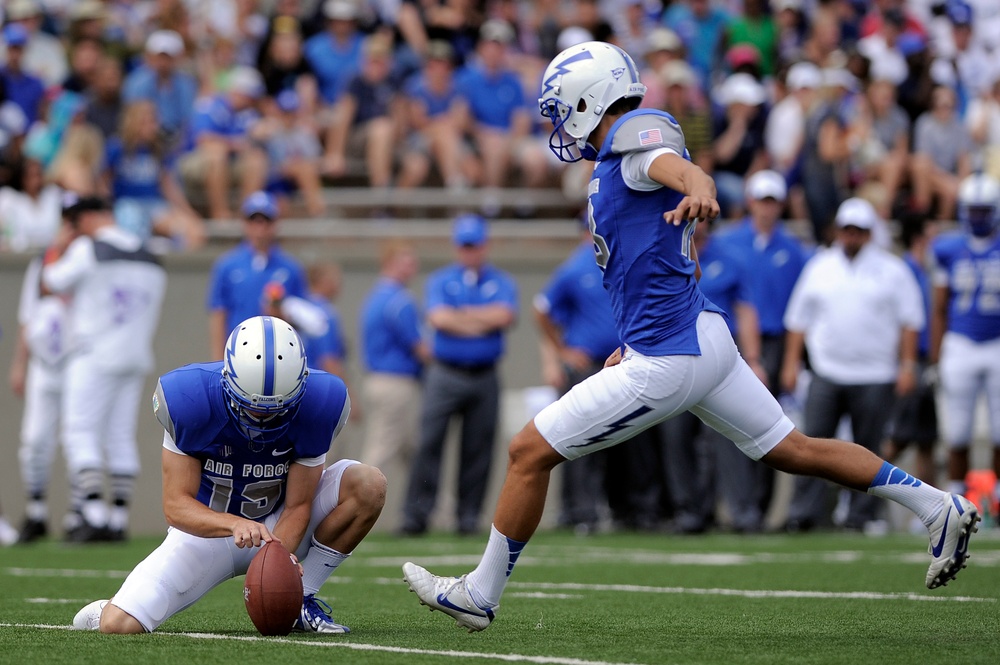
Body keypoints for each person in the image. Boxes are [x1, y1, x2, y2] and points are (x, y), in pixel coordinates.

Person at [401, 41, 980, 633]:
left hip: (670, 356)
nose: (556, 122)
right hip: (702, 337)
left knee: (528, 451)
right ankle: (938, 505)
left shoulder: (634, 139)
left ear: (587, 98)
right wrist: (634, 333)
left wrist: (698, 185)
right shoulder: (616, 161)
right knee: (794, 449)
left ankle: (479, 593)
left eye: (560, 108)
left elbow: (672, 164)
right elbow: (660, 259)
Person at [71, 315, 387, 634]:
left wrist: (278, 560)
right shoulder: (190, 399)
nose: (264, 418)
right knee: (119, 626)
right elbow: (176, 505)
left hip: (278, 523)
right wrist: (233, 523)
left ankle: (302, 600)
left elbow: (299, 505)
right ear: (227, 381)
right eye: (253, 407)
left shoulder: (321, 402)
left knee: (367, 484)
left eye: (277, 408)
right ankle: (111, 607)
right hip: (208, 534)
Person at [780, 198, 925, 533]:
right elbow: (797, 319)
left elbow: (910, 321)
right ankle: (804, 514)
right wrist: (790, 364)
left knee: (870, 448)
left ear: (869, 233)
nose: (852, 236)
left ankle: (863, 515)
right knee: (809, 445)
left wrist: (906, 365)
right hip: (827, 371)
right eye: (847, 229)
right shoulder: (820, 265)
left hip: (875, 374)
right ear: (838, 231)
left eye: (859, 230)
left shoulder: (892, 269)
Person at [41, 195, 167, 542]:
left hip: (93, 352)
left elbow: (51, 280)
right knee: (119, 434)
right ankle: (118, 517)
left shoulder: (88, 249)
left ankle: (94, 514)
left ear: (92, 218)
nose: (75, 227)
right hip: (135, 353)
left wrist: (58, 245)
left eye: (76, 220)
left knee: (79, 430)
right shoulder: (150, 254)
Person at [399, 214, 518, 536]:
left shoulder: (501, 281)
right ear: (456, 247)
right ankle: (417, 515)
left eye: (475, 245)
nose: (470, 252)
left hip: (485, 374)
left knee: (478, 447)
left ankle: (468, 515)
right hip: (445, 373)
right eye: (464, 246)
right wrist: (481, 319)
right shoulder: (440, 280)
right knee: (429, 443)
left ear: (485, 246)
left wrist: (461, 317)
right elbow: (439, 319)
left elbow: (505, 316)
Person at [534, 221, 625, 534]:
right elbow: (541, 309)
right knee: (582, 438)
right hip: (586, 367)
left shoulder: (620, 260)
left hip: (622, 365)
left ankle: (623, 508)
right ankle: (581, 511)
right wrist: (563, 352)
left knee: (622, 442)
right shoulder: (575, 267)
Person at [929, 174, 1000, 515]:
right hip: (960, 342)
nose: (977, 217)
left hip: (997, 342)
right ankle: (958, 501)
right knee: (957, 431)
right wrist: (935, 354)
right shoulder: (948, 248)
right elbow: (939, 307)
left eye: (984, 210)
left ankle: (996, 498)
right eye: (973, 209)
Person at [8, 201, 76, 543]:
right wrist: (19, 363)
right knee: (35, 440)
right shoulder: (40, 263)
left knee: (76, 437)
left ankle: (79, 512)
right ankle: (36, 510)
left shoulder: (85, 261)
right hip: (42, 363)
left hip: (76, 362)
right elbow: (27, 317)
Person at [205, 191, 327, 360]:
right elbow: (219, 315)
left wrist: (280, 310)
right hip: (239, 353)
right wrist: (219, 361)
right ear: (245, 223)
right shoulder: (227, 266)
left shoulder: (290, 268)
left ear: (275, 224)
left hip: (277, 354)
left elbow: (301, 315)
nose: (260, 227)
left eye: (266, 221)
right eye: (254, 220)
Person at [358, 240, 428, 492]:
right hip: (396, 383)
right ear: (389, 263)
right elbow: (421, 348)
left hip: (379, 380)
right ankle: (354, 501)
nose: (413, 267)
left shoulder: (375, 296)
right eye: (406, 261)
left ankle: (433, 509)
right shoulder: (400, 300)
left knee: (412, 449)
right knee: (380, 450)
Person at [883, 215, 938, 492]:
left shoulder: (926, 271)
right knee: (899, 436)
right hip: (911, 361)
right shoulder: (903, 272)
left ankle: (934, 506)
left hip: (927, 361)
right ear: (919, 239)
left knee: (928, 438)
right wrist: (905, 364)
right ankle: (857, 492)